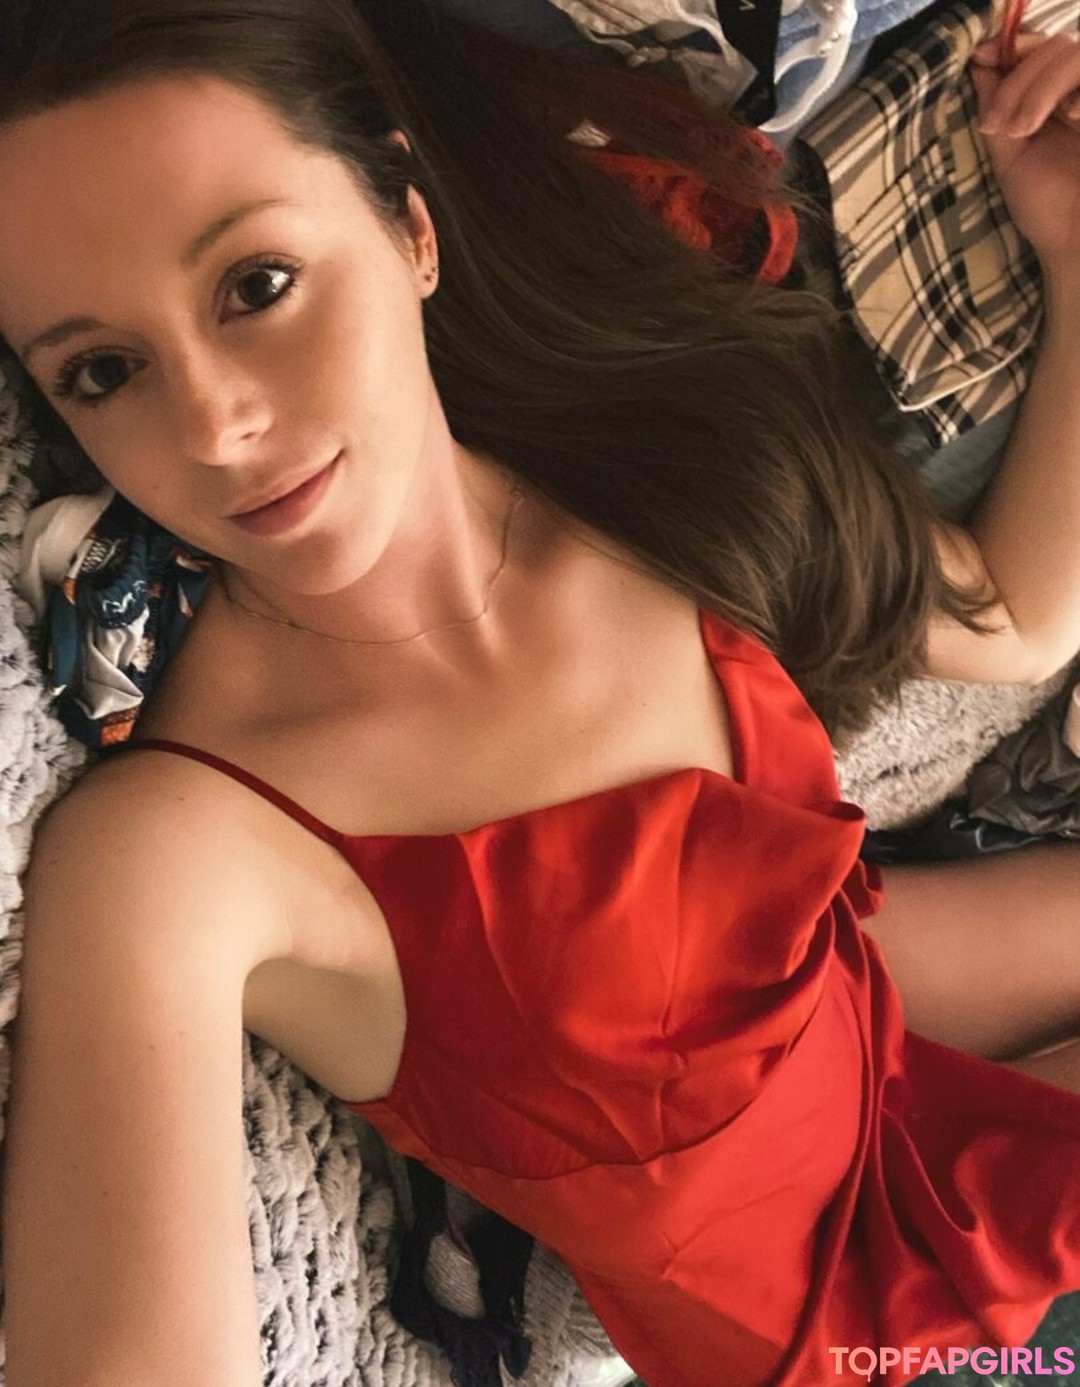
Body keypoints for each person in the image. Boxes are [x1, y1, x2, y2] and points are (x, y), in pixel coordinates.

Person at [0, 2, 1078, 1384]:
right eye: (102, 371)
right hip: (843, 1334)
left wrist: (1073, 243)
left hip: (873, 1024)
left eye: (257, 284)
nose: (216, 428)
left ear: (409, 226)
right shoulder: (179, 850)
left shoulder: (644, 464)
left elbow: (1018, 620)